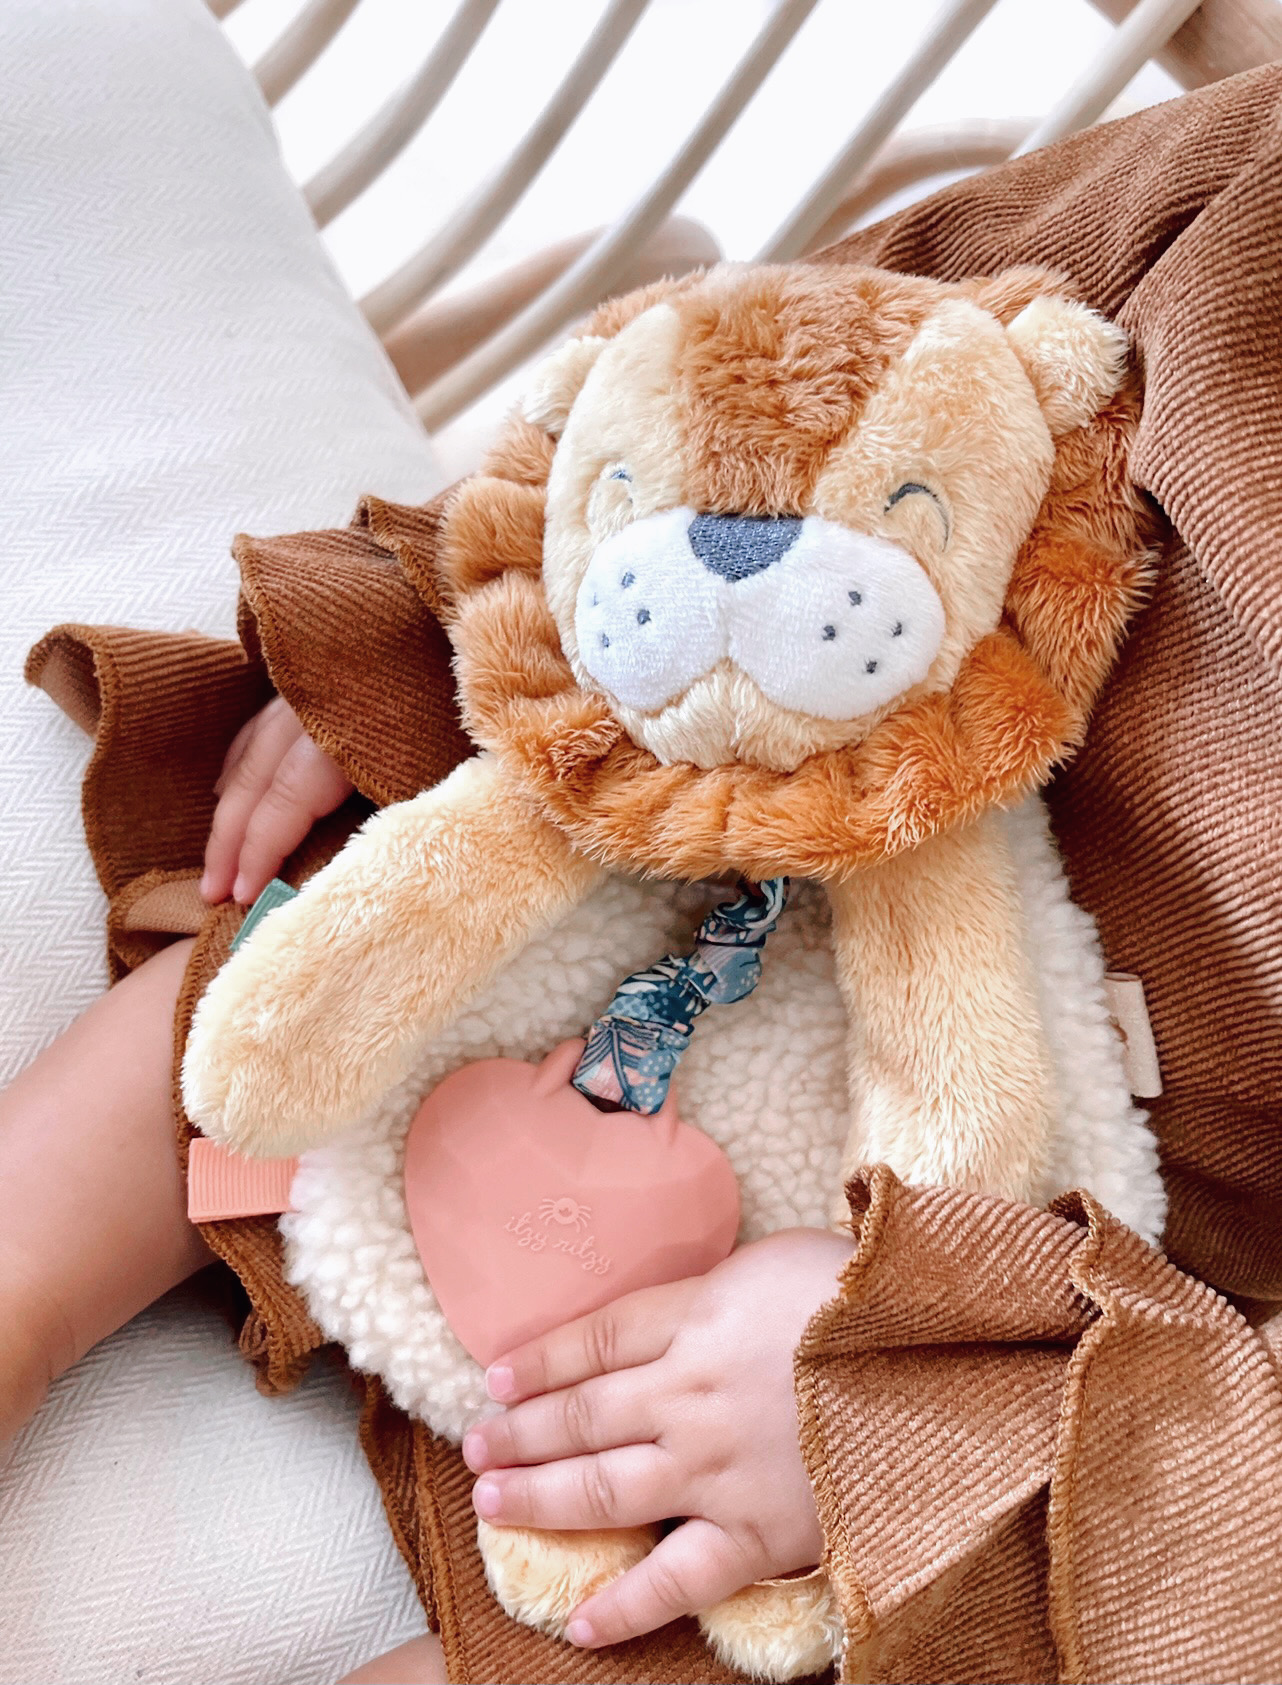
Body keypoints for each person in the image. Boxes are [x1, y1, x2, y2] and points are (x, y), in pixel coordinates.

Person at [8, 57, 1282, 1685]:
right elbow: (854, 343)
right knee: (323, 931)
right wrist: (478, 615)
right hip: (751, 817)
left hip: (1096, 1316)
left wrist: (920, 1380)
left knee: (764, 1635)